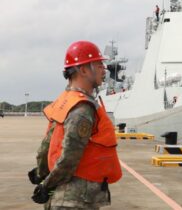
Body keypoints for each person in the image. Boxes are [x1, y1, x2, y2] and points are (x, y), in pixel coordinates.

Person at [30, 40, 122, 208]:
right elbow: (69, 158)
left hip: (66, 199)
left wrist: (40, 172)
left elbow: (47, 144)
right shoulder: (82, 109)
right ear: (84, 70)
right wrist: (46, 185)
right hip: (76, 200)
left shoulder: (65, 101)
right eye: (99, 64)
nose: (104, 68)